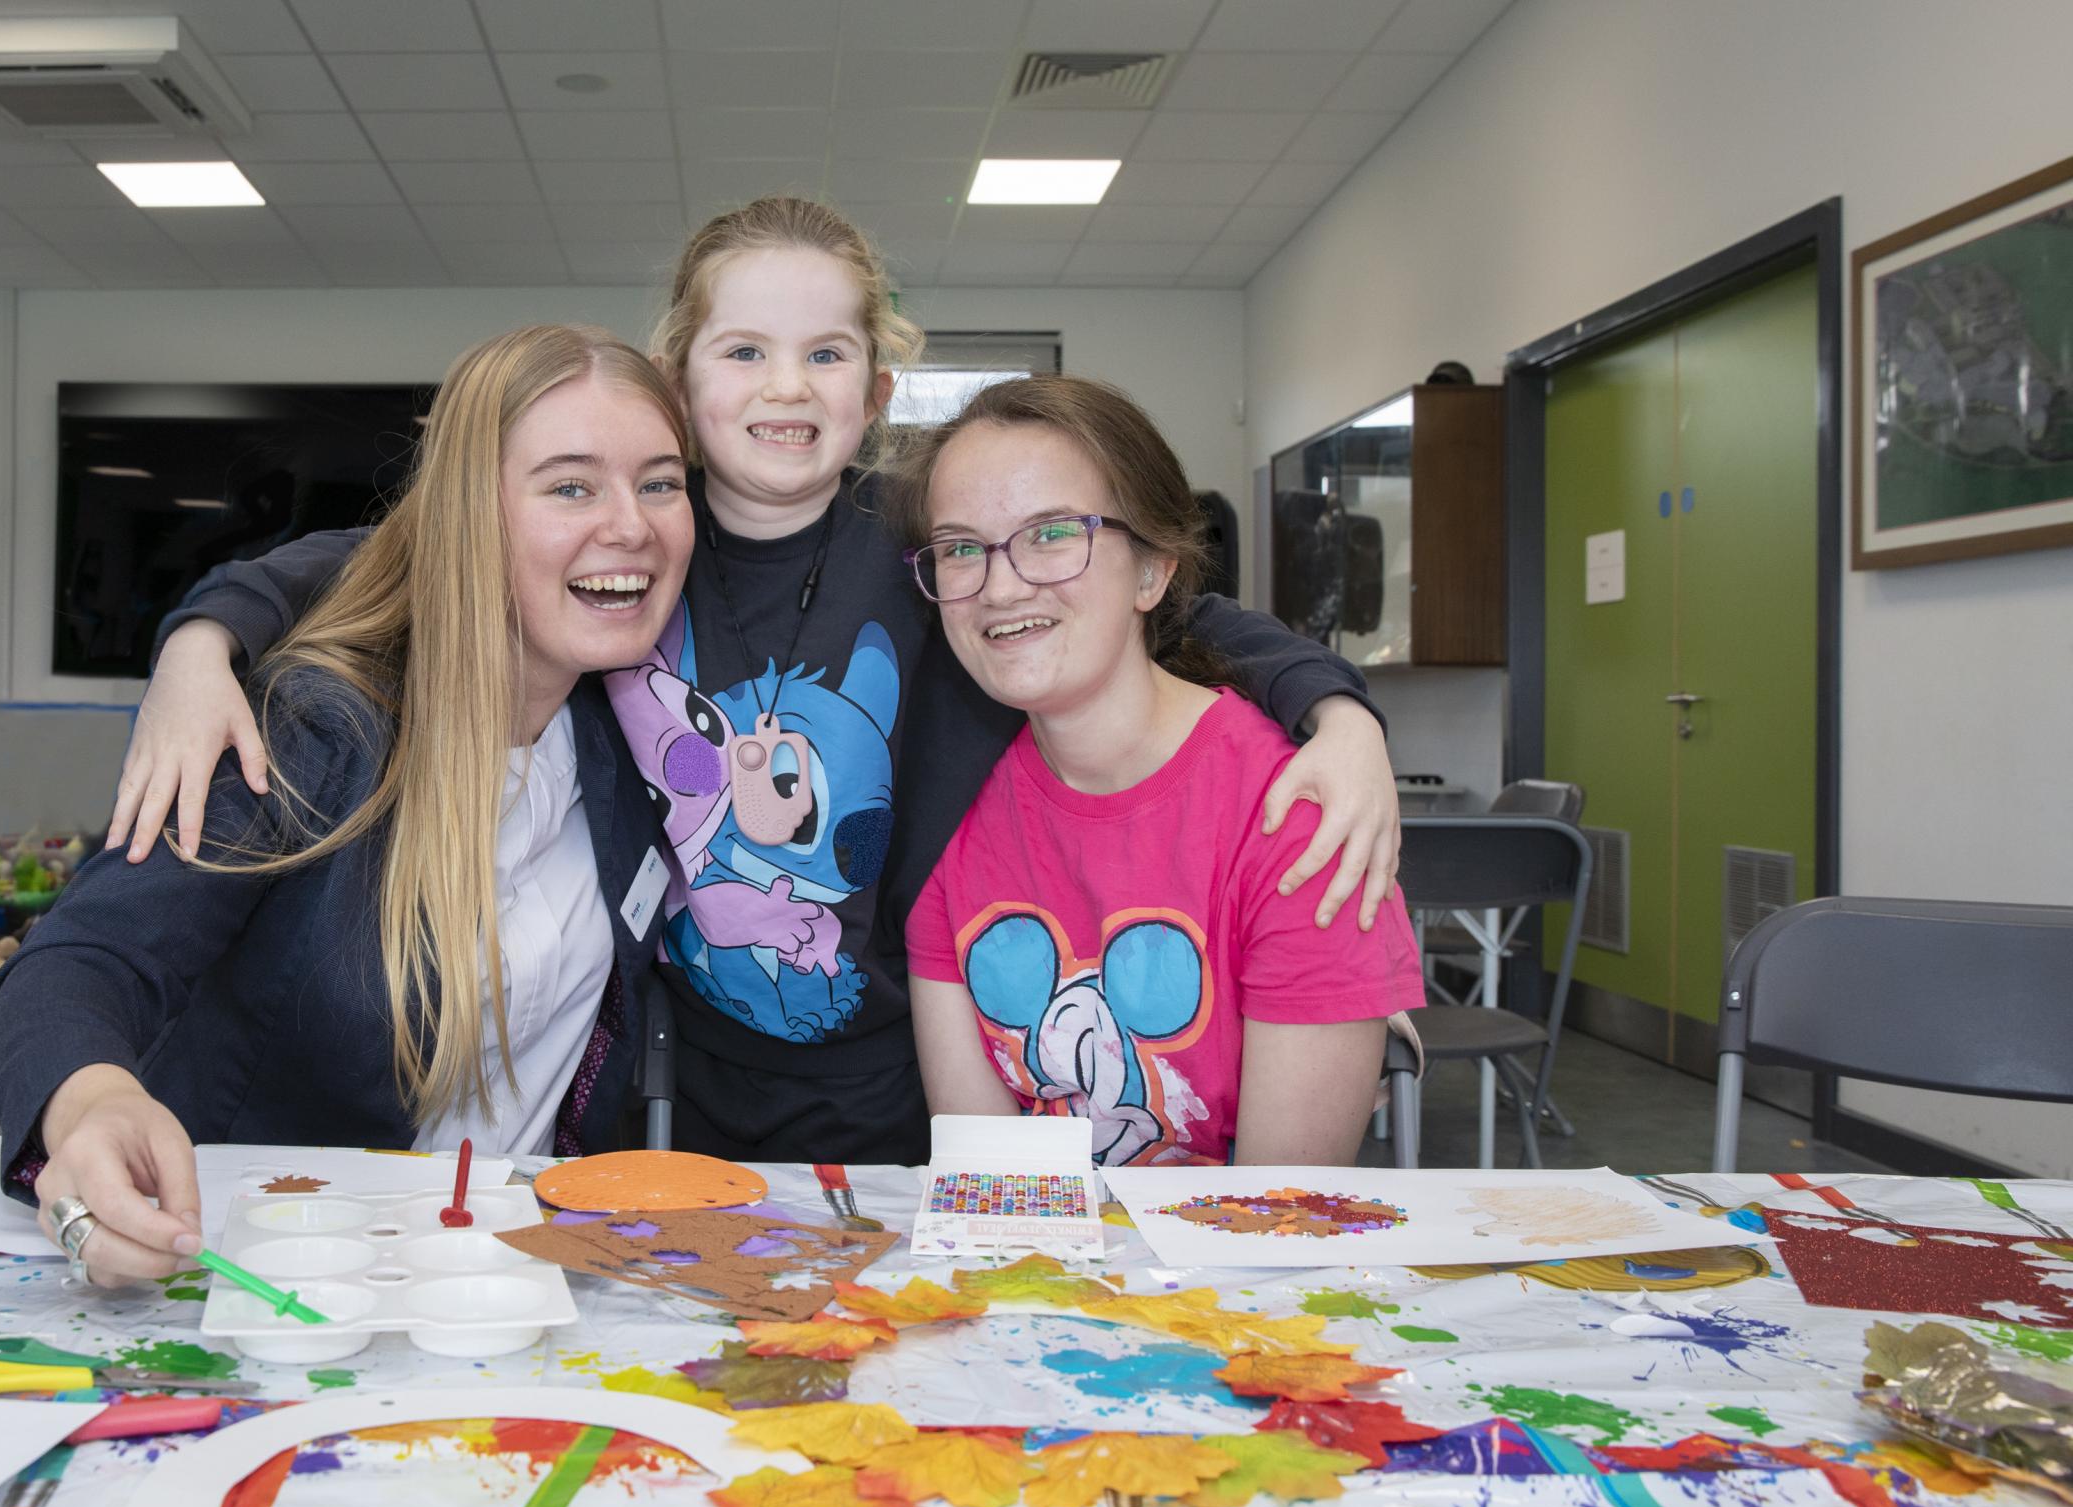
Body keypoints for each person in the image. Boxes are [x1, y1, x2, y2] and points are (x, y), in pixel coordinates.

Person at [104, 197, 1404, 1166]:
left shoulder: (924, 541)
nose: (786, 387)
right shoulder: (637, 542)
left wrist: (1335, 711)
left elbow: (1153, 596)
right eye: (744, 353)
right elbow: (403, 545)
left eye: (826, 355)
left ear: (878, 388)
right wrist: (203, 633)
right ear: (680, 377)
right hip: (675, 1098)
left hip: (897, 1090)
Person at [0, 324, 693, 1285]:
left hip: (507, 1289)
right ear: (469, 517)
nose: (632, 526)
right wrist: (93, 1101)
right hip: (272, 1284)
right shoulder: (316, 731)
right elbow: (78, 963)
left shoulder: (630, 734)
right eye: (571, 485)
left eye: (660, 483)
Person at [898, 377, 1426, 1166]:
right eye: (962, 548)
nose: (1000, 586)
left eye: (1051, 534)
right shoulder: (949, 815)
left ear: (1153, 572)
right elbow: (993, 1184)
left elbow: (1276, 1214)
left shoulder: (1300, 820)